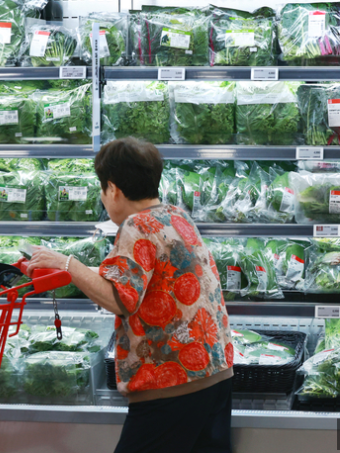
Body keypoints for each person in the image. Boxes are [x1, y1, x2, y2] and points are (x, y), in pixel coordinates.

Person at [27, 138, 233, 453]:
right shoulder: (174, 216)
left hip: (172, 383)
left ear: (114, 189)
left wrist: (68, 265)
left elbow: (120, 299)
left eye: (102, 189)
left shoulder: (136, 226)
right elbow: (148, 276)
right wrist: (71, 267)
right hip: (213, 373)